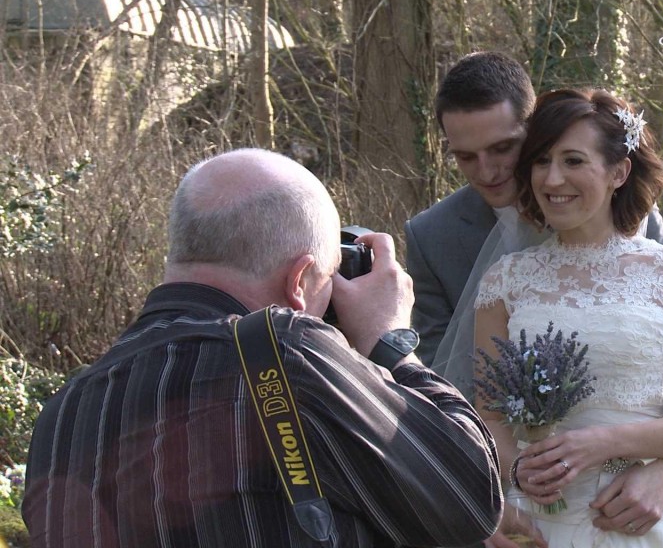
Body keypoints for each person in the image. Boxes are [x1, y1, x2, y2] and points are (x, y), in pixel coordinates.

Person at [22, 148, 502, 547]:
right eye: (329, 276)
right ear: (299, 280)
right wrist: (389, 340)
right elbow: (471, 498)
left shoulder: (65, 411)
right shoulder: (287, 353)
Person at [404, 53, 663, 542]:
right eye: (465, 156)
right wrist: (480, 504)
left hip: (631, 494)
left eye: (504, 147)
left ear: (536, 127)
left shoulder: (622, 213)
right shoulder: (431, 236)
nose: (488, 170)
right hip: (521, 506)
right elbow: (439, 384)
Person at [473, 89, 663, 546]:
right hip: (538, 523)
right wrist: (517, 471)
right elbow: (490, 419)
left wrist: (605, 444)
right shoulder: (505, 281)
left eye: (573, 161)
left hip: (635, 519)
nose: (552, 178)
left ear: (619, 171)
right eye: (542, 161)